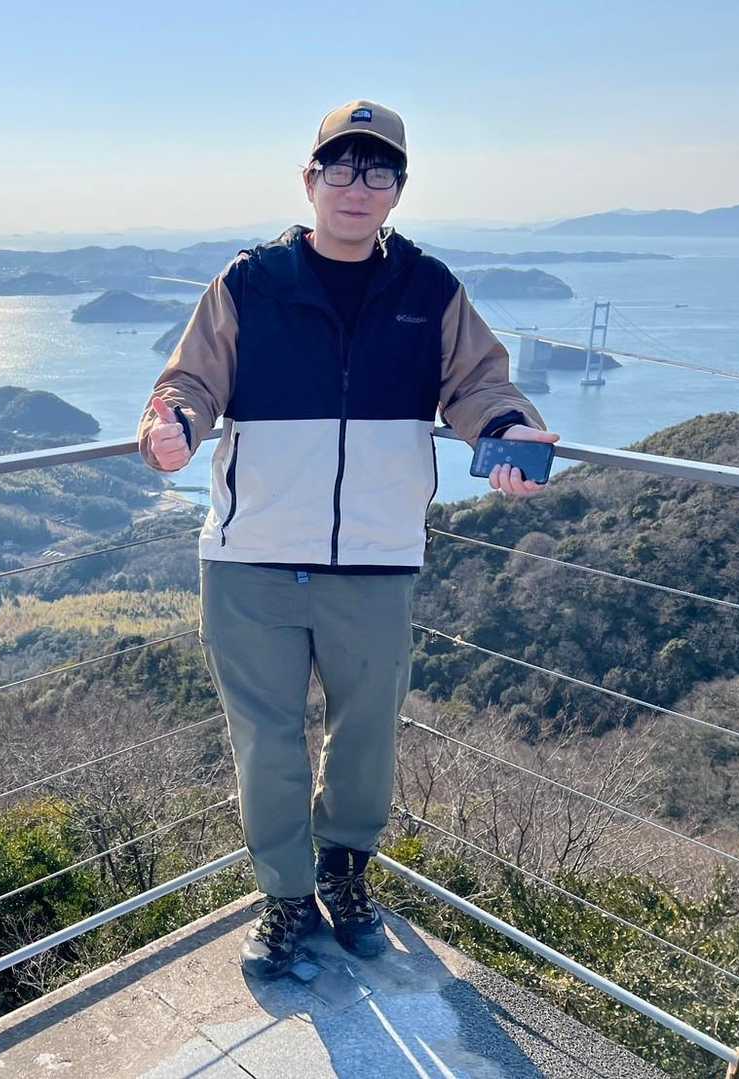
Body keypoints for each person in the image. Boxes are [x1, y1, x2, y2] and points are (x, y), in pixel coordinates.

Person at [136, 99, 560, 978]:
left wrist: (507, 427)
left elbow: (477, 383)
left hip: (375, 555)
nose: (356, 186)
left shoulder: (427, 291)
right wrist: (171, 423)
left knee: (366, 733)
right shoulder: (250, 282)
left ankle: (345, 871)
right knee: (266, 742)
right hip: (250, 558)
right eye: (340, 166)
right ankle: (285, 896)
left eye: (377, 170)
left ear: (398, 188)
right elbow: (190, 382)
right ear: (310, 180)